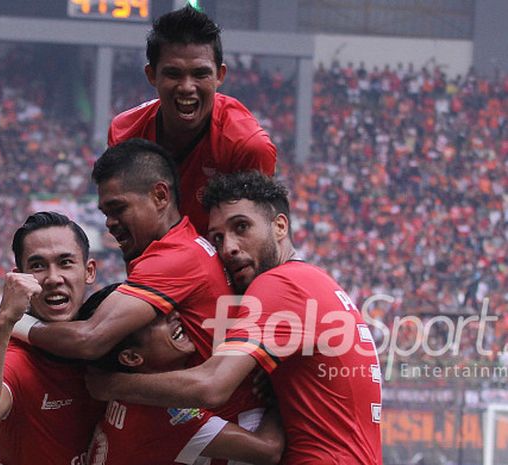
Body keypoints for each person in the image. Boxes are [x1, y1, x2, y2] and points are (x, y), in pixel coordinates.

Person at [86, 171, 383, 465]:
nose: (228, 247)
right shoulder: (315, 282)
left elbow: (212, 385)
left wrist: (111, 385)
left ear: (280, 226)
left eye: (241, 227)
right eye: (217, 237)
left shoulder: (280, 284)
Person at [12, 139, 262, 428]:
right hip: (217, 423)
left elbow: (90, 338)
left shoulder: (174, 258)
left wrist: (15, 324)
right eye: (106, 213)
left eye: (118, 208)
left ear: (159, 196)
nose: (109, 222)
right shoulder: (185, 246)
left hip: (226, 429)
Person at [108, 6, 277, 235]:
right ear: (151, 75)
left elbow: (253, 243)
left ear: (220, 76)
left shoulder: (247, 146)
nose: (187, 87)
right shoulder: (124, 134)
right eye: (173, 74)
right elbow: (129, 230)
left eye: (200, 74)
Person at [0, 212, 105, 465]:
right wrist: (4, 320)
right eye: (38, 266)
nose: (53, 278)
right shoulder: (16, 362)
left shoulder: (110, 338)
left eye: (66, 262)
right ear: (19, 277)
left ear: (89, 271)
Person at [86, 286, 284, 465]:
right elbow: (268, 450)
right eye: (154, 318)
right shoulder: (161, 413)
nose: (172, 313)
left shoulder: (127, 396)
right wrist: (281, 389)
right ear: (131, 357)